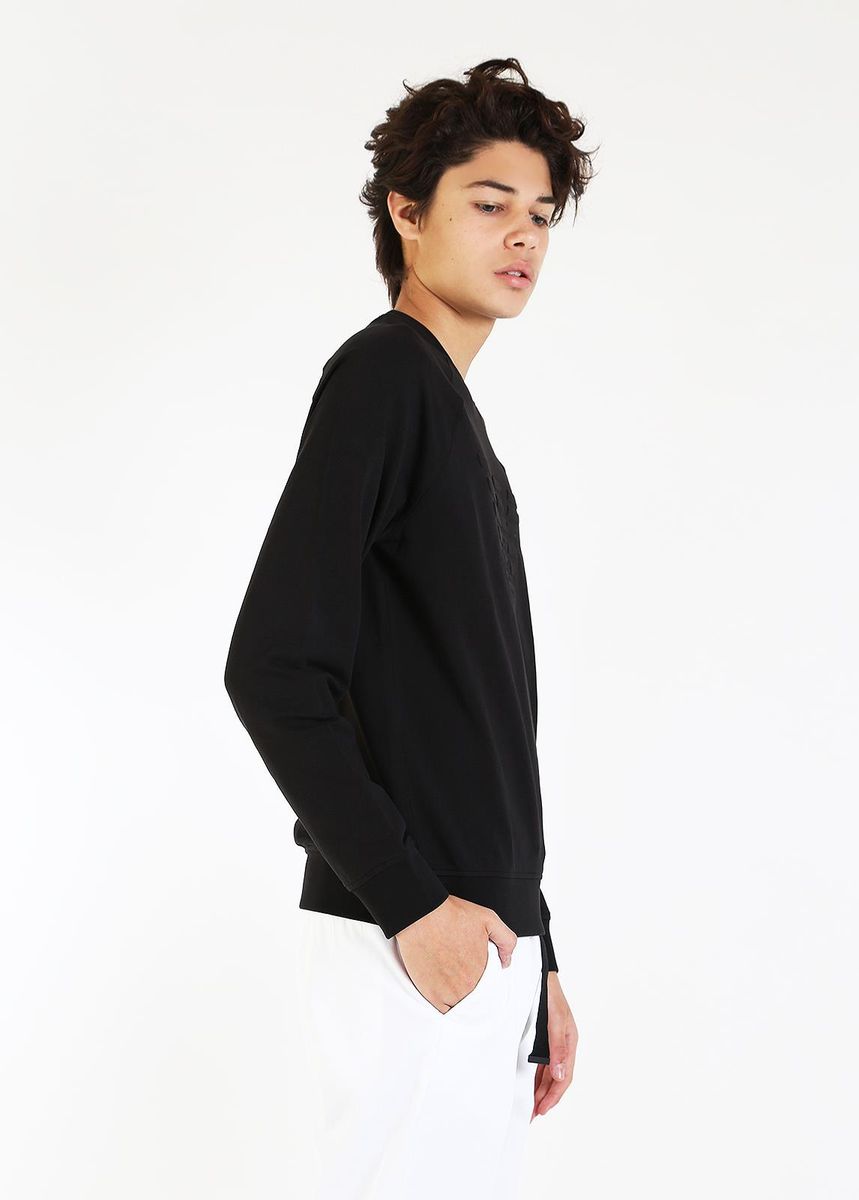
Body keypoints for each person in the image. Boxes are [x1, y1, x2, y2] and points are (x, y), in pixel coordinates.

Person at [223, 56, 596, 1198]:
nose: (522, 234)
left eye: (541, 214)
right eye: (488, 203)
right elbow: (273, 668)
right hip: (412, 937)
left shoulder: (453, 418)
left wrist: (538, 949)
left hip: (475, 940)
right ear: (407, 212)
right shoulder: (385, 379)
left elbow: (478, 723)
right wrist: (413, 904)